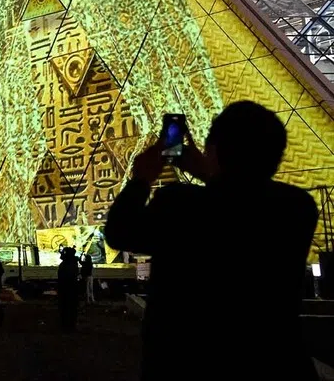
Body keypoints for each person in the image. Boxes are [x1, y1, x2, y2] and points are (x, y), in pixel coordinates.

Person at [104, 101, 319, 380]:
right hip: (275, 363)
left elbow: (119, 231)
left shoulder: (179, 204)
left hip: (186, 363)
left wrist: (141, 179)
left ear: (214, 151)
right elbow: (241, 209)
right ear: (277, 155)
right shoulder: (298, 208)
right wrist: (211, 173)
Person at [57, 246, 79, 331]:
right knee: (69, 309)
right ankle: (69, 325)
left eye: (63, 253)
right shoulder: (71, 263)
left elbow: (65, 279)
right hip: (69, 291)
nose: (62, 254)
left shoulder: (68, 264)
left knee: (67, 309)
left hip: (67, 292)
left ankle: (67, 326)